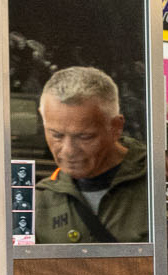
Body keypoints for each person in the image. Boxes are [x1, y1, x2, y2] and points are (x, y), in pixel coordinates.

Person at [33, 67, 149, 243]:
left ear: (116, 127)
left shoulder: (159, 182)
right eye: (56, 135)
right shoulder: (39, 202)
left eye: (84, 137)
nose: (68, 150)